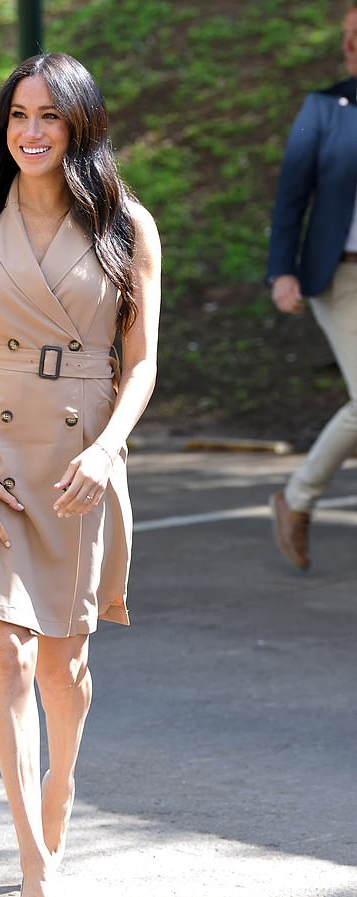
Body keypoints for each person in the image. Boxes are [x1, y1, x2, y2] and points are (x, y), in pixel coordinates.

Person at [0, 53, 160, 897]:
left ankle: (59, 796)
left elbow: (141, 365)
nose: (32, 131)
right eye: (19, 114)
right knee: (5, 657)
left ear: (81, 126)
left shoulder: (126, 225)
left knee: (65, 666)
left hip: (78, 454)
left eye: (51, 117)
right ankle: (33, 865)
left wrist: (106, 448)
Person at [267, 3, 357, 571]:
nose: (352, 46)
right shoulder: (323, 108)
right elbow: (290, 195)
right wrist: (283, 270)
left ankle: (296, 500)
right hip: (341, 275)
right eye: (351, 37)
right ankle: (296, 499)